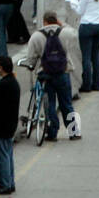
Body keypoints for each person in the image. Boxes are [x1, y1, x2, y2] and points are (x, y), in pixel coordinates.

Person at [17, 12, 79, 141]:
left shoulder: (36, 36)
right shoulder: (65, 32)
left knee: (50, 103)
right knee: (66, 103)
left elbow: (31, 58)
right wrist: (63, 24)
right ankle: (74, 132)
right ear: (56, 20)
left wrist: (32, 65)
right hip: (63, 72)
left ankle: (52, 132)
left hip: (45, 74)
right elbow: (75, 34)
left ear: (44, 21)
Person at [66, 0, 99, 93]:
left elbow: (80, 11)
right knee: (95, 56)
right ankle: (97, 84)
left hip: (87, 26)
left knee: (86, 57)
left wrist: (72, 0)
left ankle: (87, 85)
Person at [0, 56, 19, 195]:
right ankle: (10, 182)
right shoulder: (14, 83)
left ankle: (4, 184)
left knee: (0, 157)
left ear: (1, 68)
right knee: (7, 155)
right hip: (10, 125)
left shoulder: (2, 85)